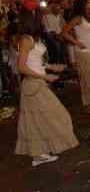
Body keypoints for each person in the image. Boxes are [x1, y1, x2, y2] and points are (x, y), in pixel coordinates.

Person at [15, 11, 79, 167]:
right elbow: (21, 67)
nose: (42, 21)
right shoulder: (26, 40)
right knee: (54, 115)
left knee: (38, 120)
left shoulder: (32, 39)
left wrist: (51, 67)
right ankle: (39, 154)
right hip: (33, 84)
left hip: (37, 83)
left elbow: (34, 61)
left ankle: (40, 153)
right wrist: (45, 77)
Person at [42, 0, 66, 66]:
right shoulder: (46, 17)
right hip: (51, 35)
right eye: (56, 8)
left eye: (59, 8)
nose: (58, 10)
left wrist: (61, 35)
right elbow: (47, 29)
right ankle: (56, 64)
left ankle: (62, 64)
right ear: (52, 9)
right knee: (57, 46)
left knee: (63, 47)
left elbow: (64, 26)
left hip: (60, 35)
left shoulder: (60, 17)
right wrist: (56, 35)